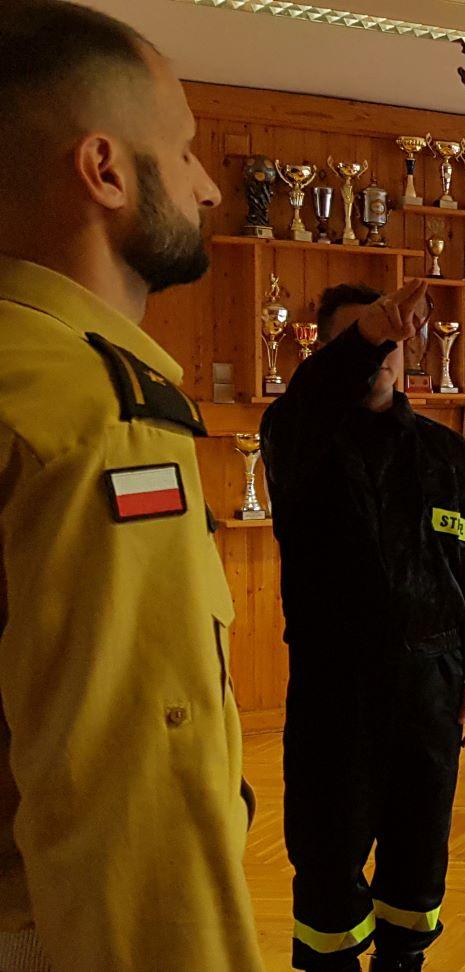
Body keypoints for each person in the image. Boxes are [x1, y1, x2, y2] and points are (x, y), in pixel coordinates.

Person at [0, 3, 260, 968]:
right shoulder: (97, 415)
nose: (207, 186)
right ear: (105, 170)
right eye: (183, 149)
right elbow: (137, 790)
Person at [260, 281, 465, 972]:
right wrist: (365, 337)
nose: (379, 352)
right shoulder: (299, 442)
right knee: (328, 852)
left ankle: (403, 959)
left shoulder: (445, 454)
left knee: (419, 851)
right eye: (360, 337)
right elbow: (307, 402)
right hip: (336, 692)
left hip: (432, 687)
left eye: (389, 340)